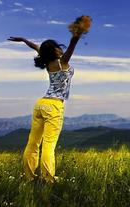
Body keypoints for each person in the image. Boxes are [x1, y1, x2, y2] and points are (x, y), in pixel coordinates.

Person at [8, 23, 88, 183]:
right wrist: (76, 36)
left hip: (40, 104)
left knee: (33, 143)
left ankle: (30, 177)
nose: (60, 48)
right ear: (55, 50)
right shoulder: (62, 63)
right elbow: (71, 46)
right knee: (49, 145)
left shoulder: (47, 59)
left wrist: (24, 40)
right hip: (54, 105)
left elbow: (36, 47)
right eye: (57, 47)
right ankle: (48, 179)